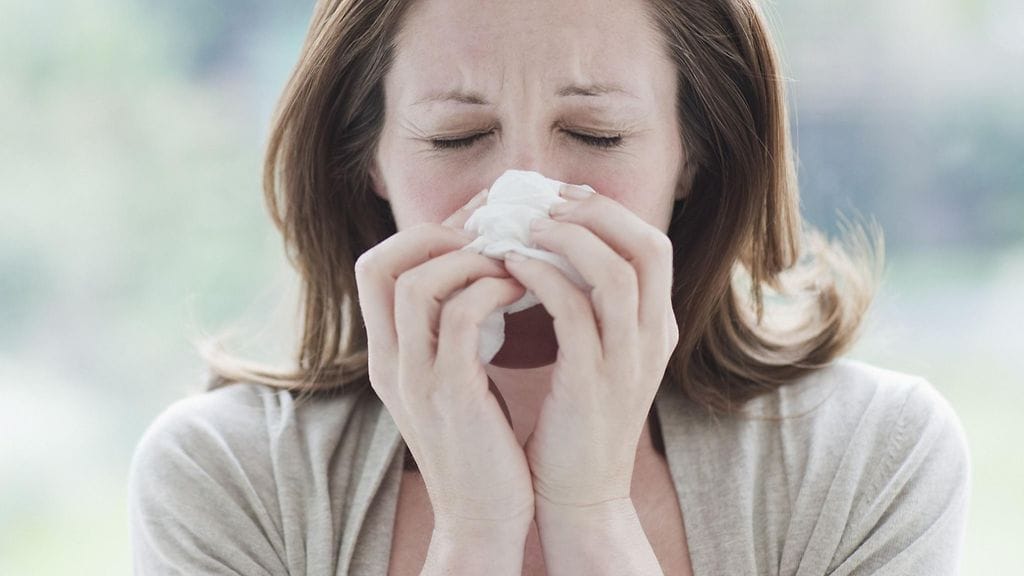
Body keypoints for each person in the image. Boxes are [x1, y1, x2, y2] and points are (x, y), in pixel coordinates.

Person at [127, 0, 971, 574]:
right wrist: (475, 534)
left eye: (596, 134)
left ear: (695, 154)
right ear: (369, 163)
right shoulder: (226, 477)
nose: (520, 197)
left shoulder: (867, 458)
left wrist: (592, 512)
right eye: (458, 137)